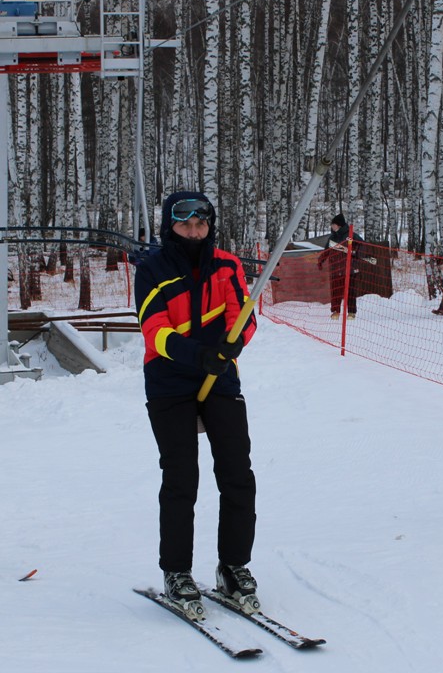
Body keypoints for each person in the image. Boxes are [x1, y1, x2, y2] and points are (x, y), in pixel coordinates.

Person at [134, 191, 258, 619]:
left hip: (219, 378)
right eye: (184, 223)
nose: (192, 230)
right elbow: (155, 331)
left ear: (210, 224)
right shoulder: (151, 269)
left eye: (200, 223)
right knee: (182, 477)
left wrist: (232, 345)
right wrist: (197, 356)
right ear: (170, 224)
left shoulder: (228, 265)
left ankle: (233, 565)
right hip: (170, 381)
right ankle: (177, 571)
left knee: (237, 473)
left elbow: (243, 315)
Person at [317, 214, 364, 320]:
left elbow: (362, 246)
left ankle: (351, 312)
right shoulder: (332, 238)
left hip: (350, 269)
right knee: (335, 291)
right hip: (336, 269)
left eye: (333, 224)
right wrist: (321, 260)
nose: (332, 226)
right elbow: (326, 251)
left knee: (351, 291)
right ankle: (335, 311)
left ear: (339, 225)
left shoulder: (352, 235)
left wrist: (356, 254)